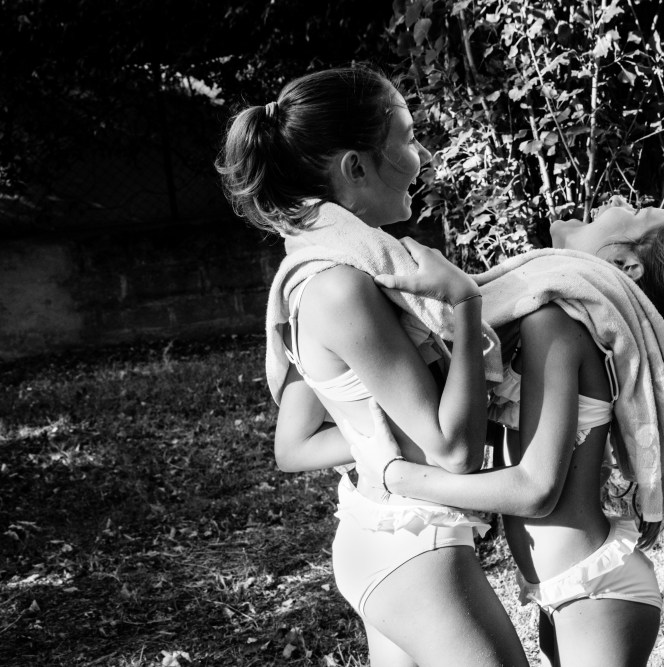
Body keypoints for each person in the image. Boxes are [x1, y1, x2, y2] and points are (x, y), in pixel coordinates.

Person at [216, 65, 529, 667]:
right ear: (355, 168)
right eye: (408, 138)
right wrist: (464, 305)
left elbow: (300, 442)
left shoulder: (314, 272)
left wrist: (376, 440)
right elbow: (453, 452)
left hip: (384, 536)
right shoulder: (341, 287)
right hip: (413, 548)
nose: (424, 156)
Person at [348, 201, 664, 667]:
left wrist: (399, 477)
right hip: (574, 587)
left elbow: (535, 490)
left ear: (626, 265)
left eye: (637, 211)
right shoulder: (565, 322)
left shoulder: (556, 323)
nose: (618, 202)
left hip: (595, 589)